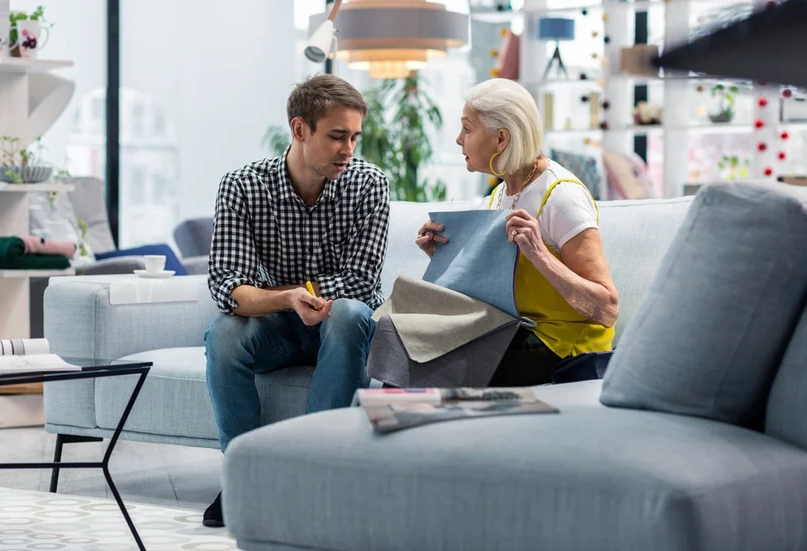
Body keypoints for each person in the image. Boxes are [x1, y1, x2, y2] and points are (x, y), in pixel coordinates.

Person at [202, 74, 390, 527]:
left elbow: (362, 284)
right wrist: (288, 298)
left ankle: (312, 474)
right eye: (337, 136)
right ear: (299, 129)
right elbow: (228, 286)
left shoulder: (369, 186)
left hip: (337, 329)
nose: (349, 149)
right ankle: (244, 476)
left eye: (354, 137)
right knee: (224, 333)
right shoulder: (243, 186)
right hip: (278, 331)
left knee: (349, 312)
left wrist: (295, 293)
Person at [416, 78, 618, 386]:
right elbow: (492, 292)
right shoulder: (498, 197)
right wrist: (444, 256)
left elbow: (606, 309)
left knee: (441, 369)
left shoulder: (562, 197)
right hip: (514, 332)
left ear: (501, 140)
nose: (458, 140)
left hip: (566, 347)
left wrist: (539, 255)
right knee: (416, 351)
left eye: (467, 129)